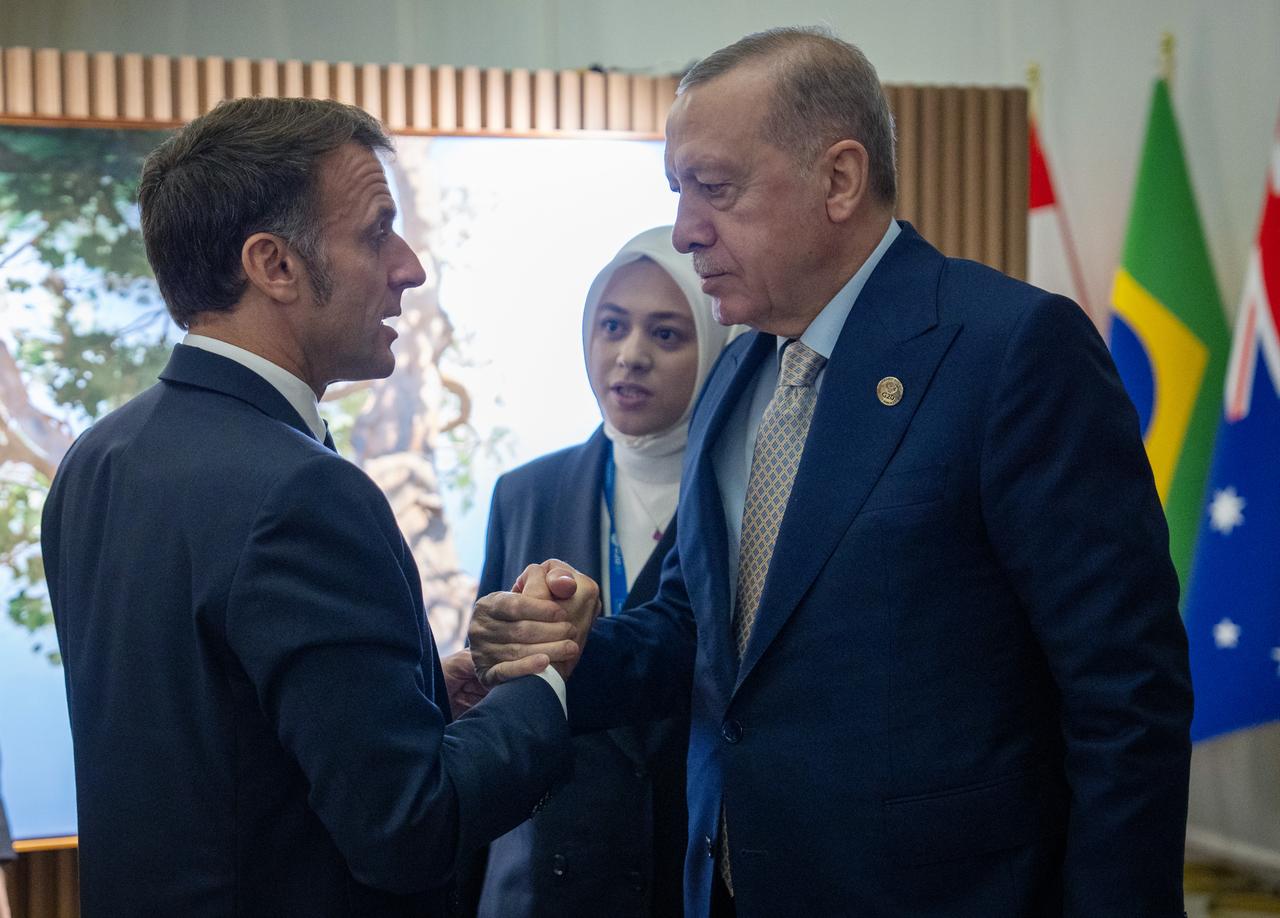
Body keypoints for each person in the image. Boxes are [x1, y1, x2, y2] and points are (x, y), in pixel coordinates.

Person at [469, 27, 1194, 918]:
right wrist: (568, 653)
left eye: (716, 189)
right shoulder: (738, 371)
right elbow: (700, 628)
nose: (688, 231)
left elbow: (1126, 694)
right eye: (678, 192)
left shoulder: (1009, 352)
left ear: (839, 179)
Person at [40, 97, 597, 918]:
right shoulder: (302, 490)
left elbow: (217, 743)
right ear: (274, 264)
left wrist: (420, 695)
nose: (409, 265)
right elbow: (409, 829)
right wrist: (540, 683)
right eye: (377, 230)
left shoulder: (97, 459)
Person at [471, 227, 734, 918]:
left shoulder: (743, 496)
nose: (630, 356)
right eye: (611, 326)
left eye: (668, 335)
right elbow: (496, 683)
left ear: (715, 349)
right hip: (550, 872)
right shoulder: (526, 491)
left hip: (692, 870)